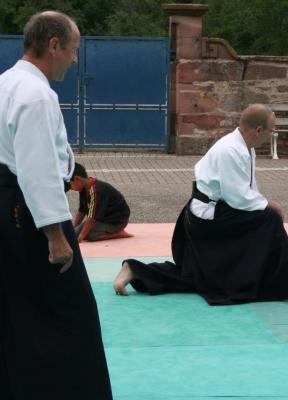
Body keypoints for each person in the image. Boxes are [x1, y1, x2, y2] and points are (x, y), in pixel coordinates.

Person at [0, 11, 113, 399]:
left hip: (9, 208)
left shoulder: (6, 83)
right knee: (71, 314)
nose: (75, 59)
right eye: (74, 49)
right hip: (30, 213)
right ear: (54, 45)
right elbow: (37, 168)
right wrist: (55, 234)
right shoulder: (35, 95)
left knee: (18, 309)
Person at [113, 104, 288, 305]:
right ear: (258, 130)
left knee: (200, 278)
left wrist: (263, 203)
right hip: (208, 217)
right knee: (270, 220)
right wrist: (269, 205)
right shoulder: (230, 150)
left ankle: (134, 269)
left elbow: (249, 189)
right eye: (272, 130)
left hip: (218, 210)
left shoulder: (246, 148)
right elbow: (236, 196)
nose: (272, 134)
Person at [70, 162, 132, 242]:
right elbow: (81, 210)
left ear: (77, 179)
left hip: (117, 221)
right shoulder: (83, 188)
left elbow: (91, 217)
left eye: (70, 185)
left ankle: (118, 233)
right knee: (75, 233)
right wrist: (75, 227)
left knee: (90, 235)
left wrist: (80, 237)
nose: (70, 188)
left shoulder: (96, 191)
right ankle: (101, 230)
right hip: (102, 219)